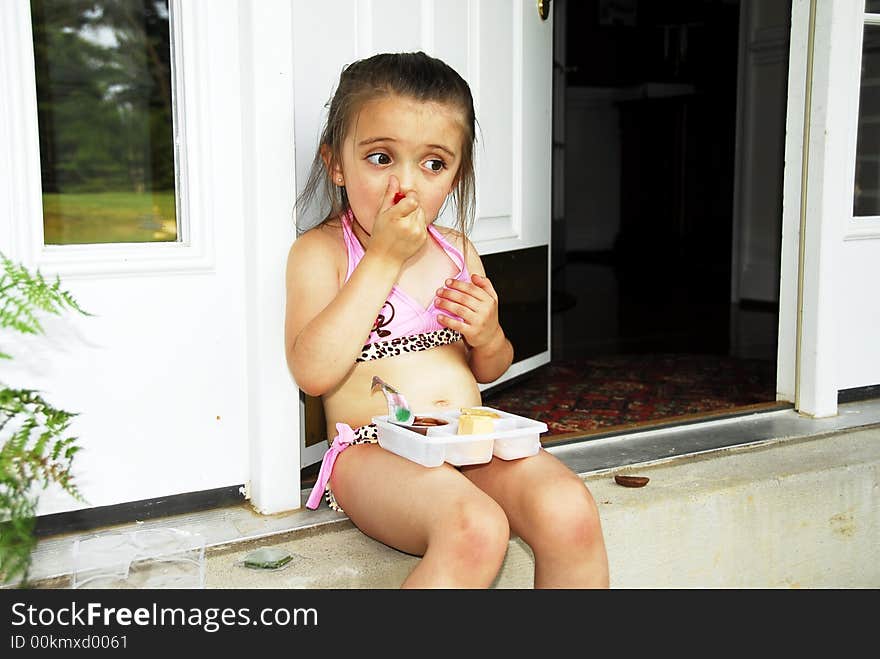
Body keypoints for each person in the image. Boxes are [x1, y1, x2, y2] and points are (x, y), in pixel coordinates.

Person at [284, 51, 609, 589]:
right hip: (373, 452)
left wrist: (489, 334)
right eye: (381, 158)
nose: (404, 186)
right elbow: (313, 373)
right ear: (336, 164)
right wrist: (383, 258)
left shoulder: (457, 250)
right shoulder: (323, 254)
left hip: (467, 440)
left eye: (433, 164)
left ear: (456, 176)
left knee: (567, 507)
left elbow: (490, 367)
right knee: (476, 528)